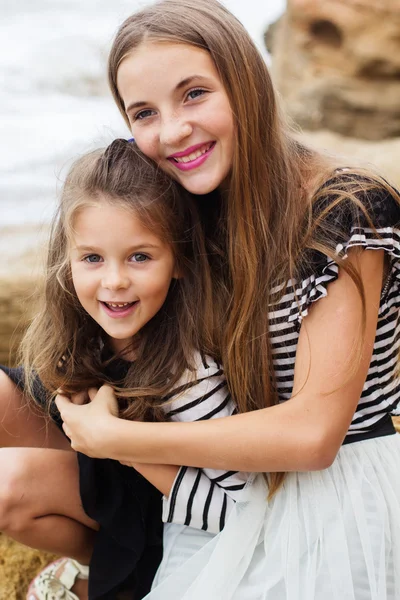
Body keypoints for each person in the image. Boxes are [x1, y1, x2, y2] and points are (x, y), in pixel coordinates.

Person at [56, 0, 400, 598]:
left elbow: (314, 436)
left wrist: (115, 441)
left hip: (341, 489)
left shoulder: (343, 210)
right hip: (230, 479)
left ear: (246, 83)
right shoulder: (192, 209)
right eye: (144, 112)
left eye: (194, 94)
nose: (172, 131)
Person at [0, 139, 249, 600]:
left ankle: (113, 570)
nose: (114, 281)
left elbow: (241, 513)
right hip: (113, 470)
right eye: (92, 258)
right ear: (67, 258)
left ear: (179, 260)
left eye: (140, 256)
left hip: (166, 511)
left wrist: (118, 442)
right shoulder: (87, 329)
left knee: (7, 483)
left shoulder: (189, 374)